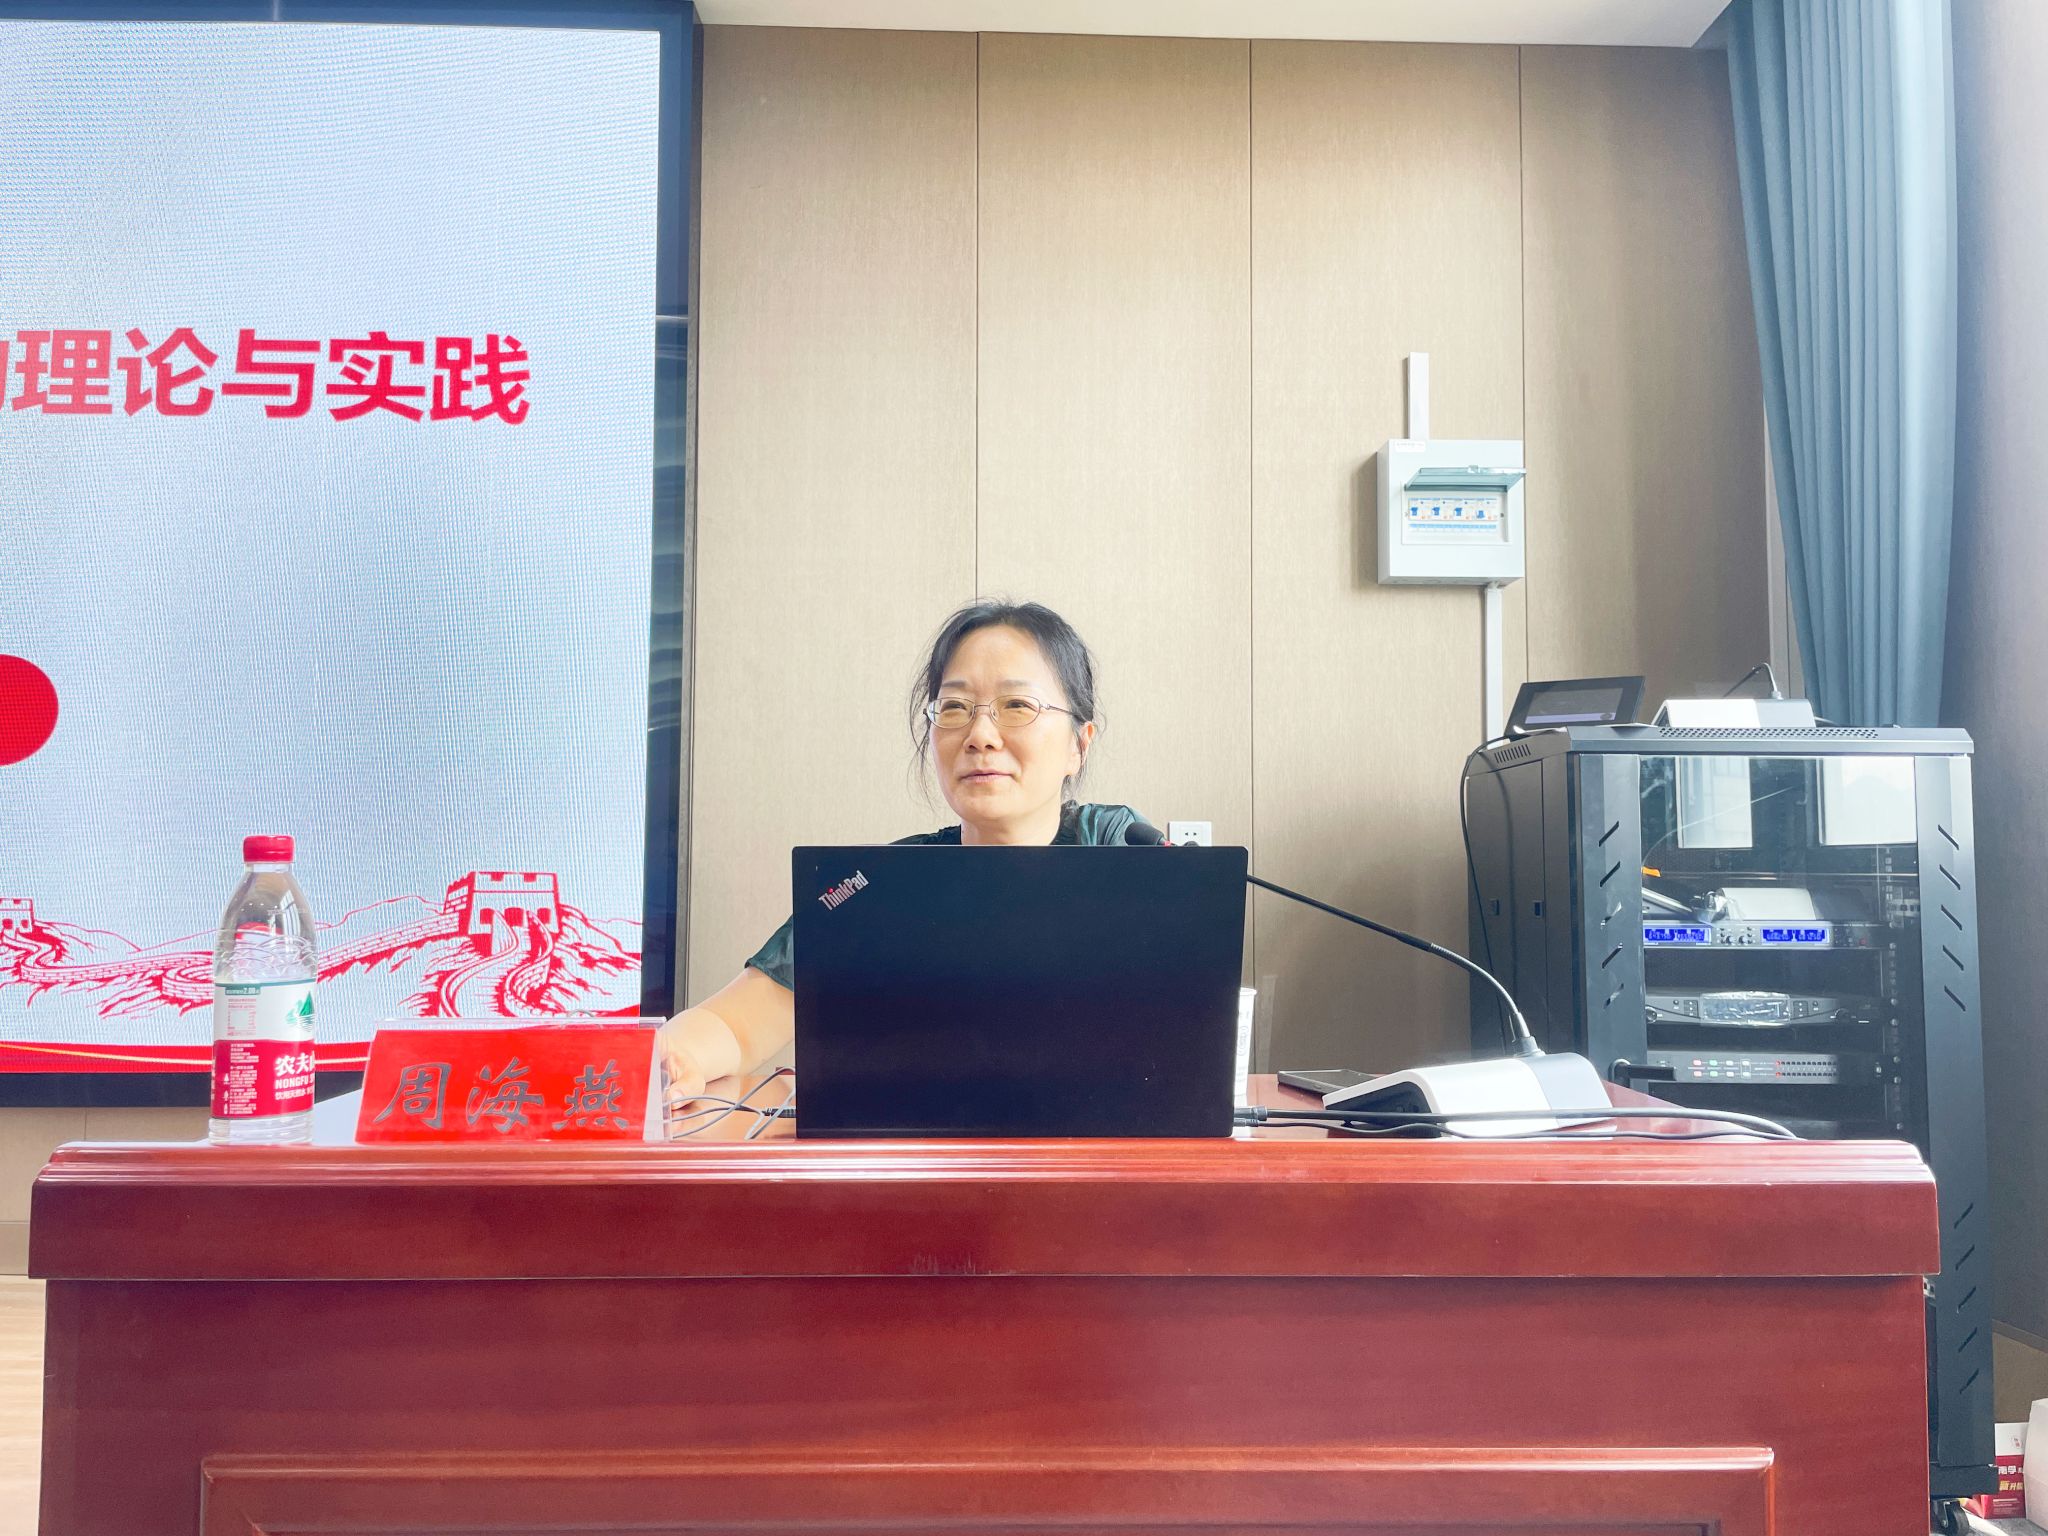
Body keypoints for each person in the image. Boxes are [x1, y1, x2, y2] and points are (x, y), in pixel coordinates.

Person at [656, 599, 1145, 1101]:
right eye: (954, 708)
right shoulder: (879, 885)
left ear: (1078, 744)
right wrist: (678, 1059)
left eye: (1017, 706)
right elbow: (735, 1027)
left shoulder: (1123, 854)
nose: (980, 736)